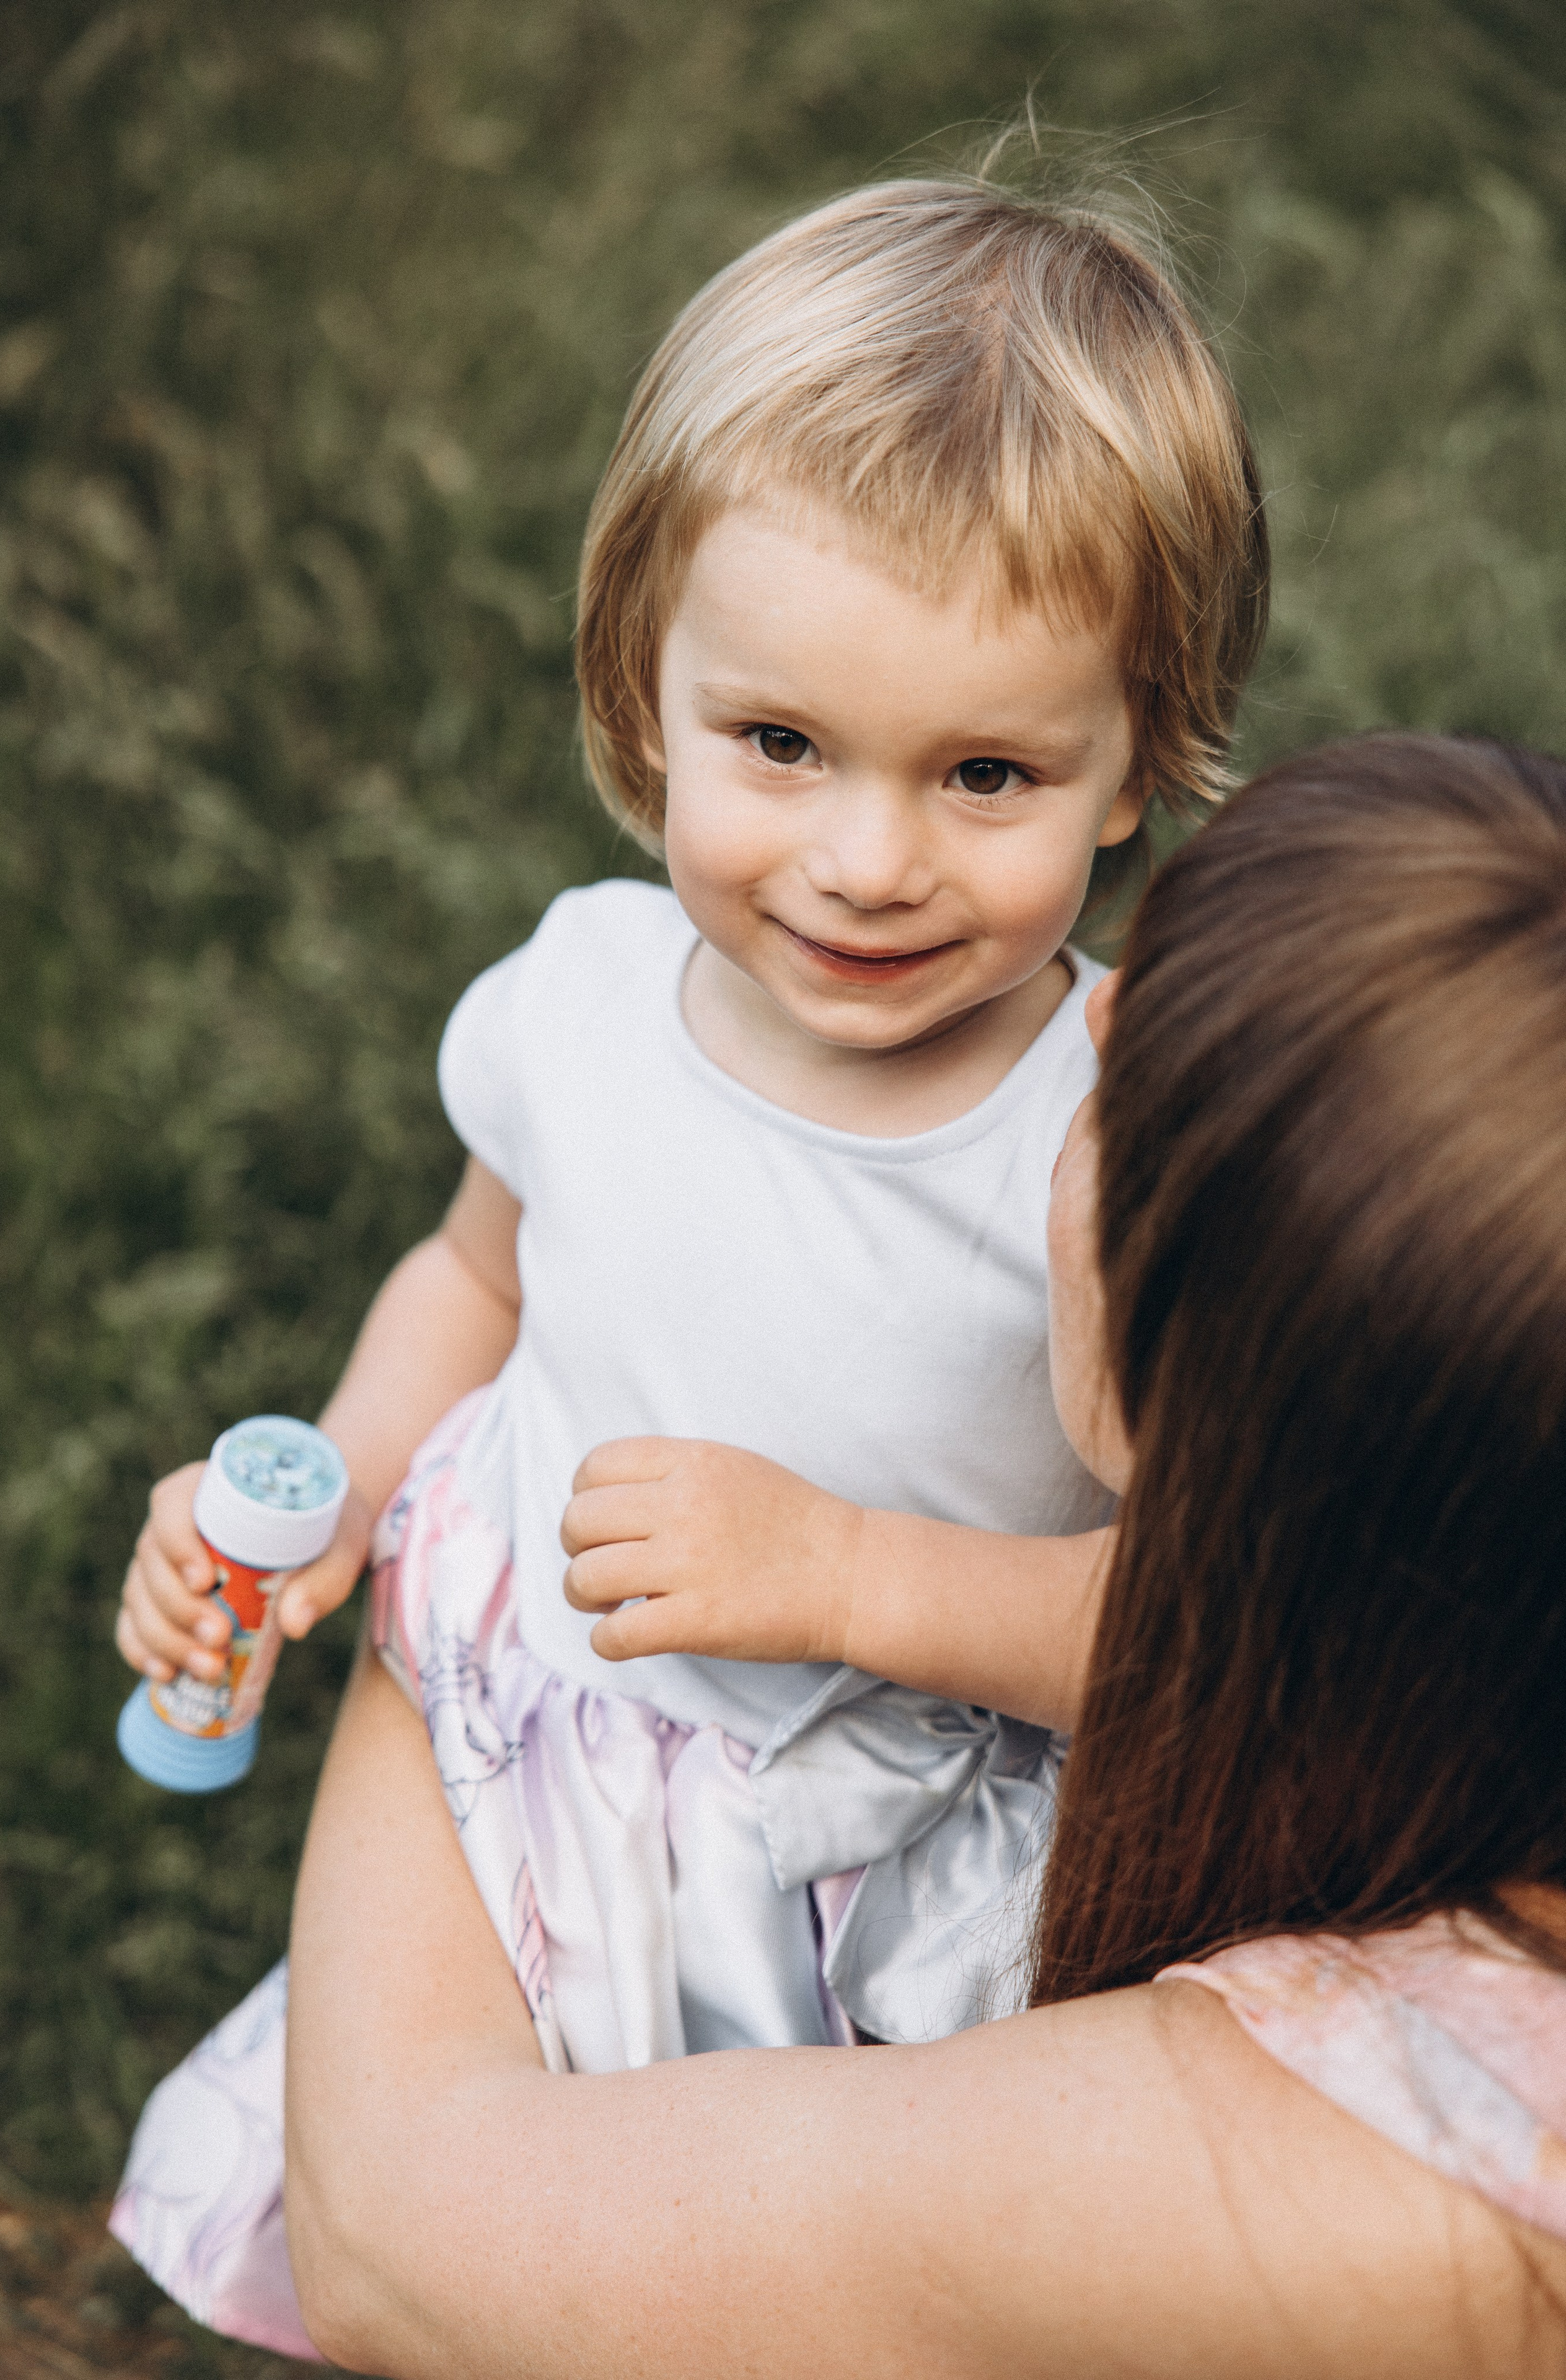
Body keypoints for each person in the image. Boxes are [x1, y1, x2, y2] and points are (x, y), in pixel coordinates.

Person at [109, 172, 1266, 2350]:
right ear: (648, 682)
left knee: (761, 2295)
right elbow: (478, 1277)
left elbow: (1204, 1629)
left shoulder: (1128, 1128)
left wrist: (852, 1579)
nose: (864, 859)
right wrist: (340, 1491)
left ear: (1139, 761)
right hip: (543, 1728)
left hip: (887, 1842)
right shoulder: (583, 993)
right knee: (481, 2212)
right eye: (780, 745)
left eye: (988, 772)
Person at [283, 732, 1566, 2378]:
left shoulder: (1367, 2167)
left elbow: (402, 2235)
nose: (1086, 1048)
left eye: (1121, 1107)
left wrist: (458, 1600)